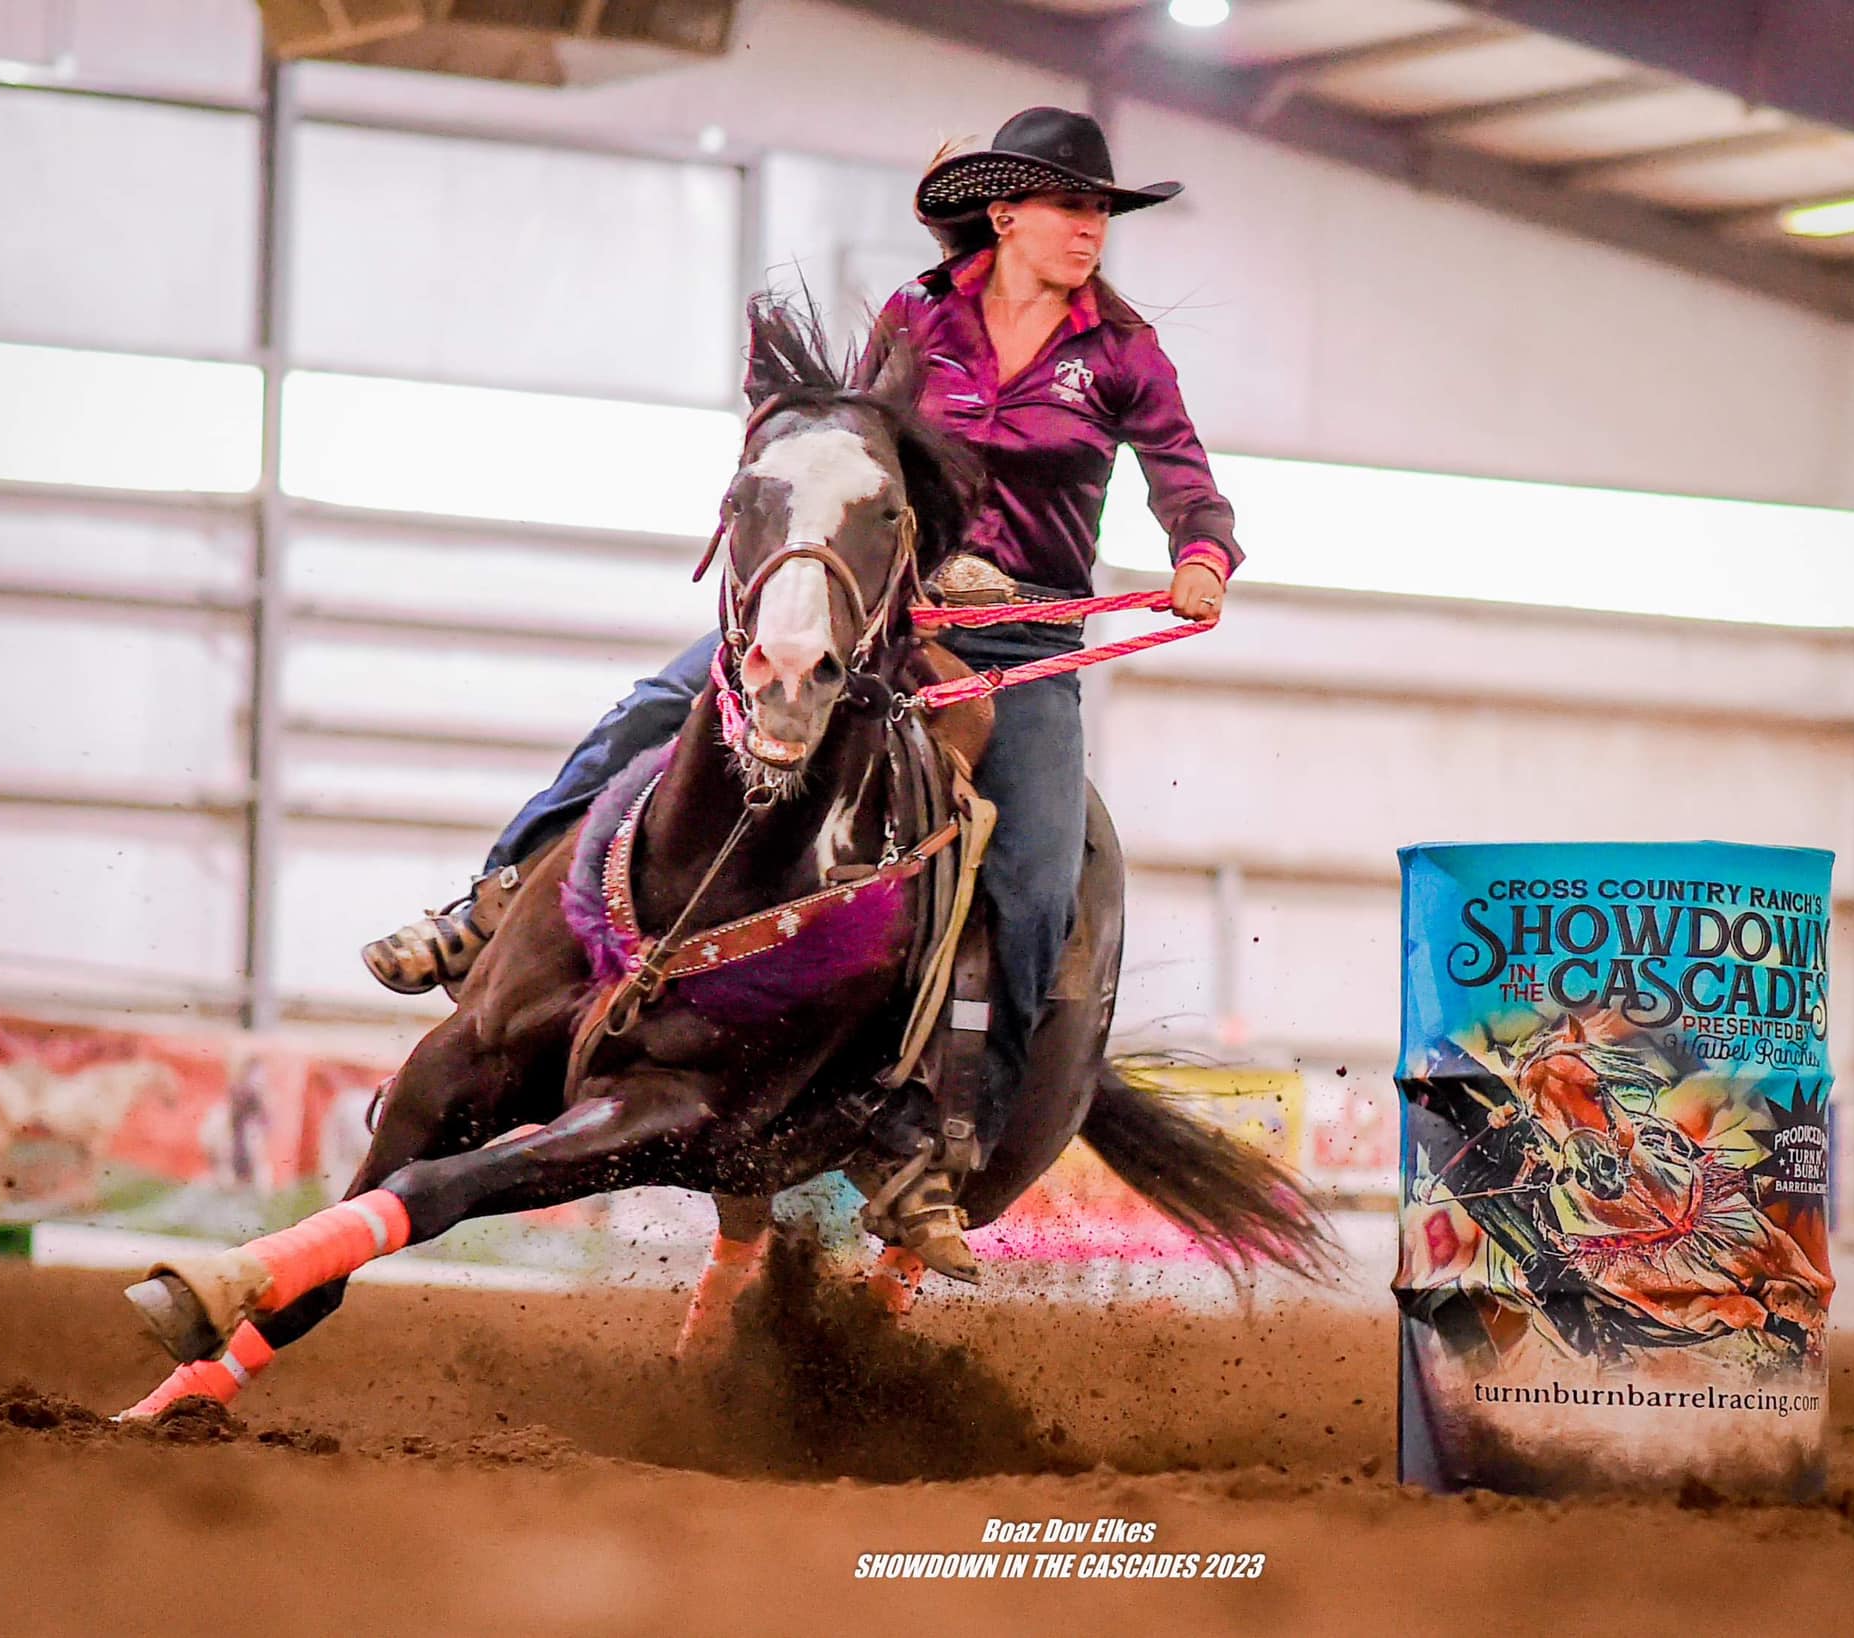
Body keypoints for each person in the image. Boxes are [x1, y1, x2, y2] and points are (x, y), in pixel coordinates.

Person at [361, 107, 1241, 1277]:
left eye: (1099, 212)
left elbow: (1186, 480)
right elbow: (854, 445)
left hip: (1022, 643)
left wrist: (1201, 558)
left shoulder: (1121, 357)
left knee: (1032, 884)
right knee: (646, 714)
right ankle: (486, 908)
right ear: (1005, 211)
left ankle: (945, 1126)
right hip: (886, 620)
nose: (1089, 229)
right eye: (1071, 207)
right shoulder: (916, 321)